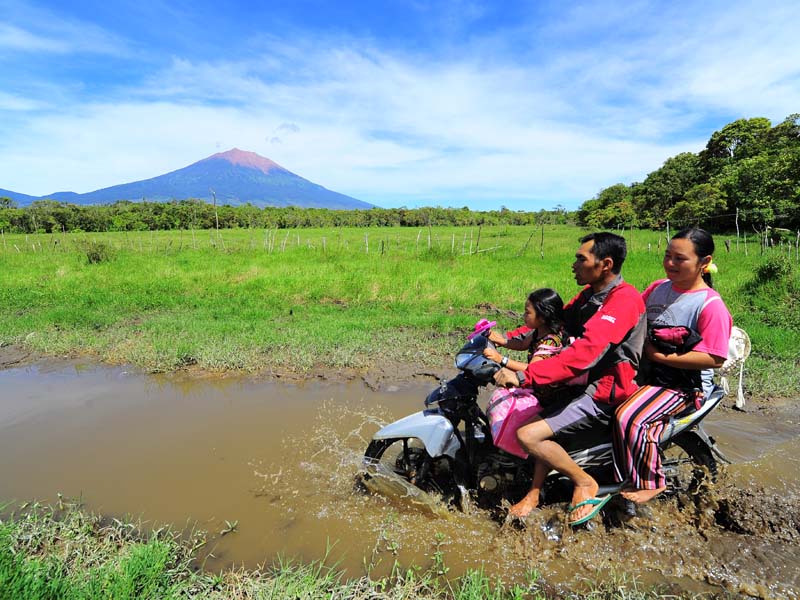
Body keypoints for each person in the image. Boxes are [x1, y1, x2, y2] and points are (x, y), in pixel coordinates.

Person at [493, 232, 647, 526]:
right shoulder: (590, 295)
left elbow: (584, 354)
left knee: (528, 435)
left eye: (581, 258)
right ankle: (534, 493)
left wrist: (526, 374)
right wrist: (504, 339)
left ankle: (584, 481)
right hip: (580, 382)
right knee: (533, 415)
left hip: (603, 389)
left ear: (605, 264)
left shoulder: (623, 300)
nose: (573, 264)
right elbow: (556, 321)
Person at [612, 228, 732, 504]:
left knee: (628, 417)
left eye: (680, 259)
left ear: (704, 262)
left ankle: (651, 481)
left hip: (683, 385)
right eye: (667, 256)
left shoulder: (710, 305)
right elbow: (632, 316)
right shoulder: (658, 288)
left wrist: (662, 358)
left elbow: (714, 358)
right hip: (650, 374)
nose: (670, 264)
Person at [481, 288, 566, 517]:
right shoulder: (538, 332)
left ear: (543, 315)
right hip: (535, 388)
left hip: (547, 398)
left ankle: (525, 477)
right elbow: (521, 344)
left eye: (527, 312)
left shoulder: (551, 340)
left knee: (521, 423)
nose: (523, 316)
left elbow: (534, 368)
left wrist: (502, 359)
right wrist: (500, 340)